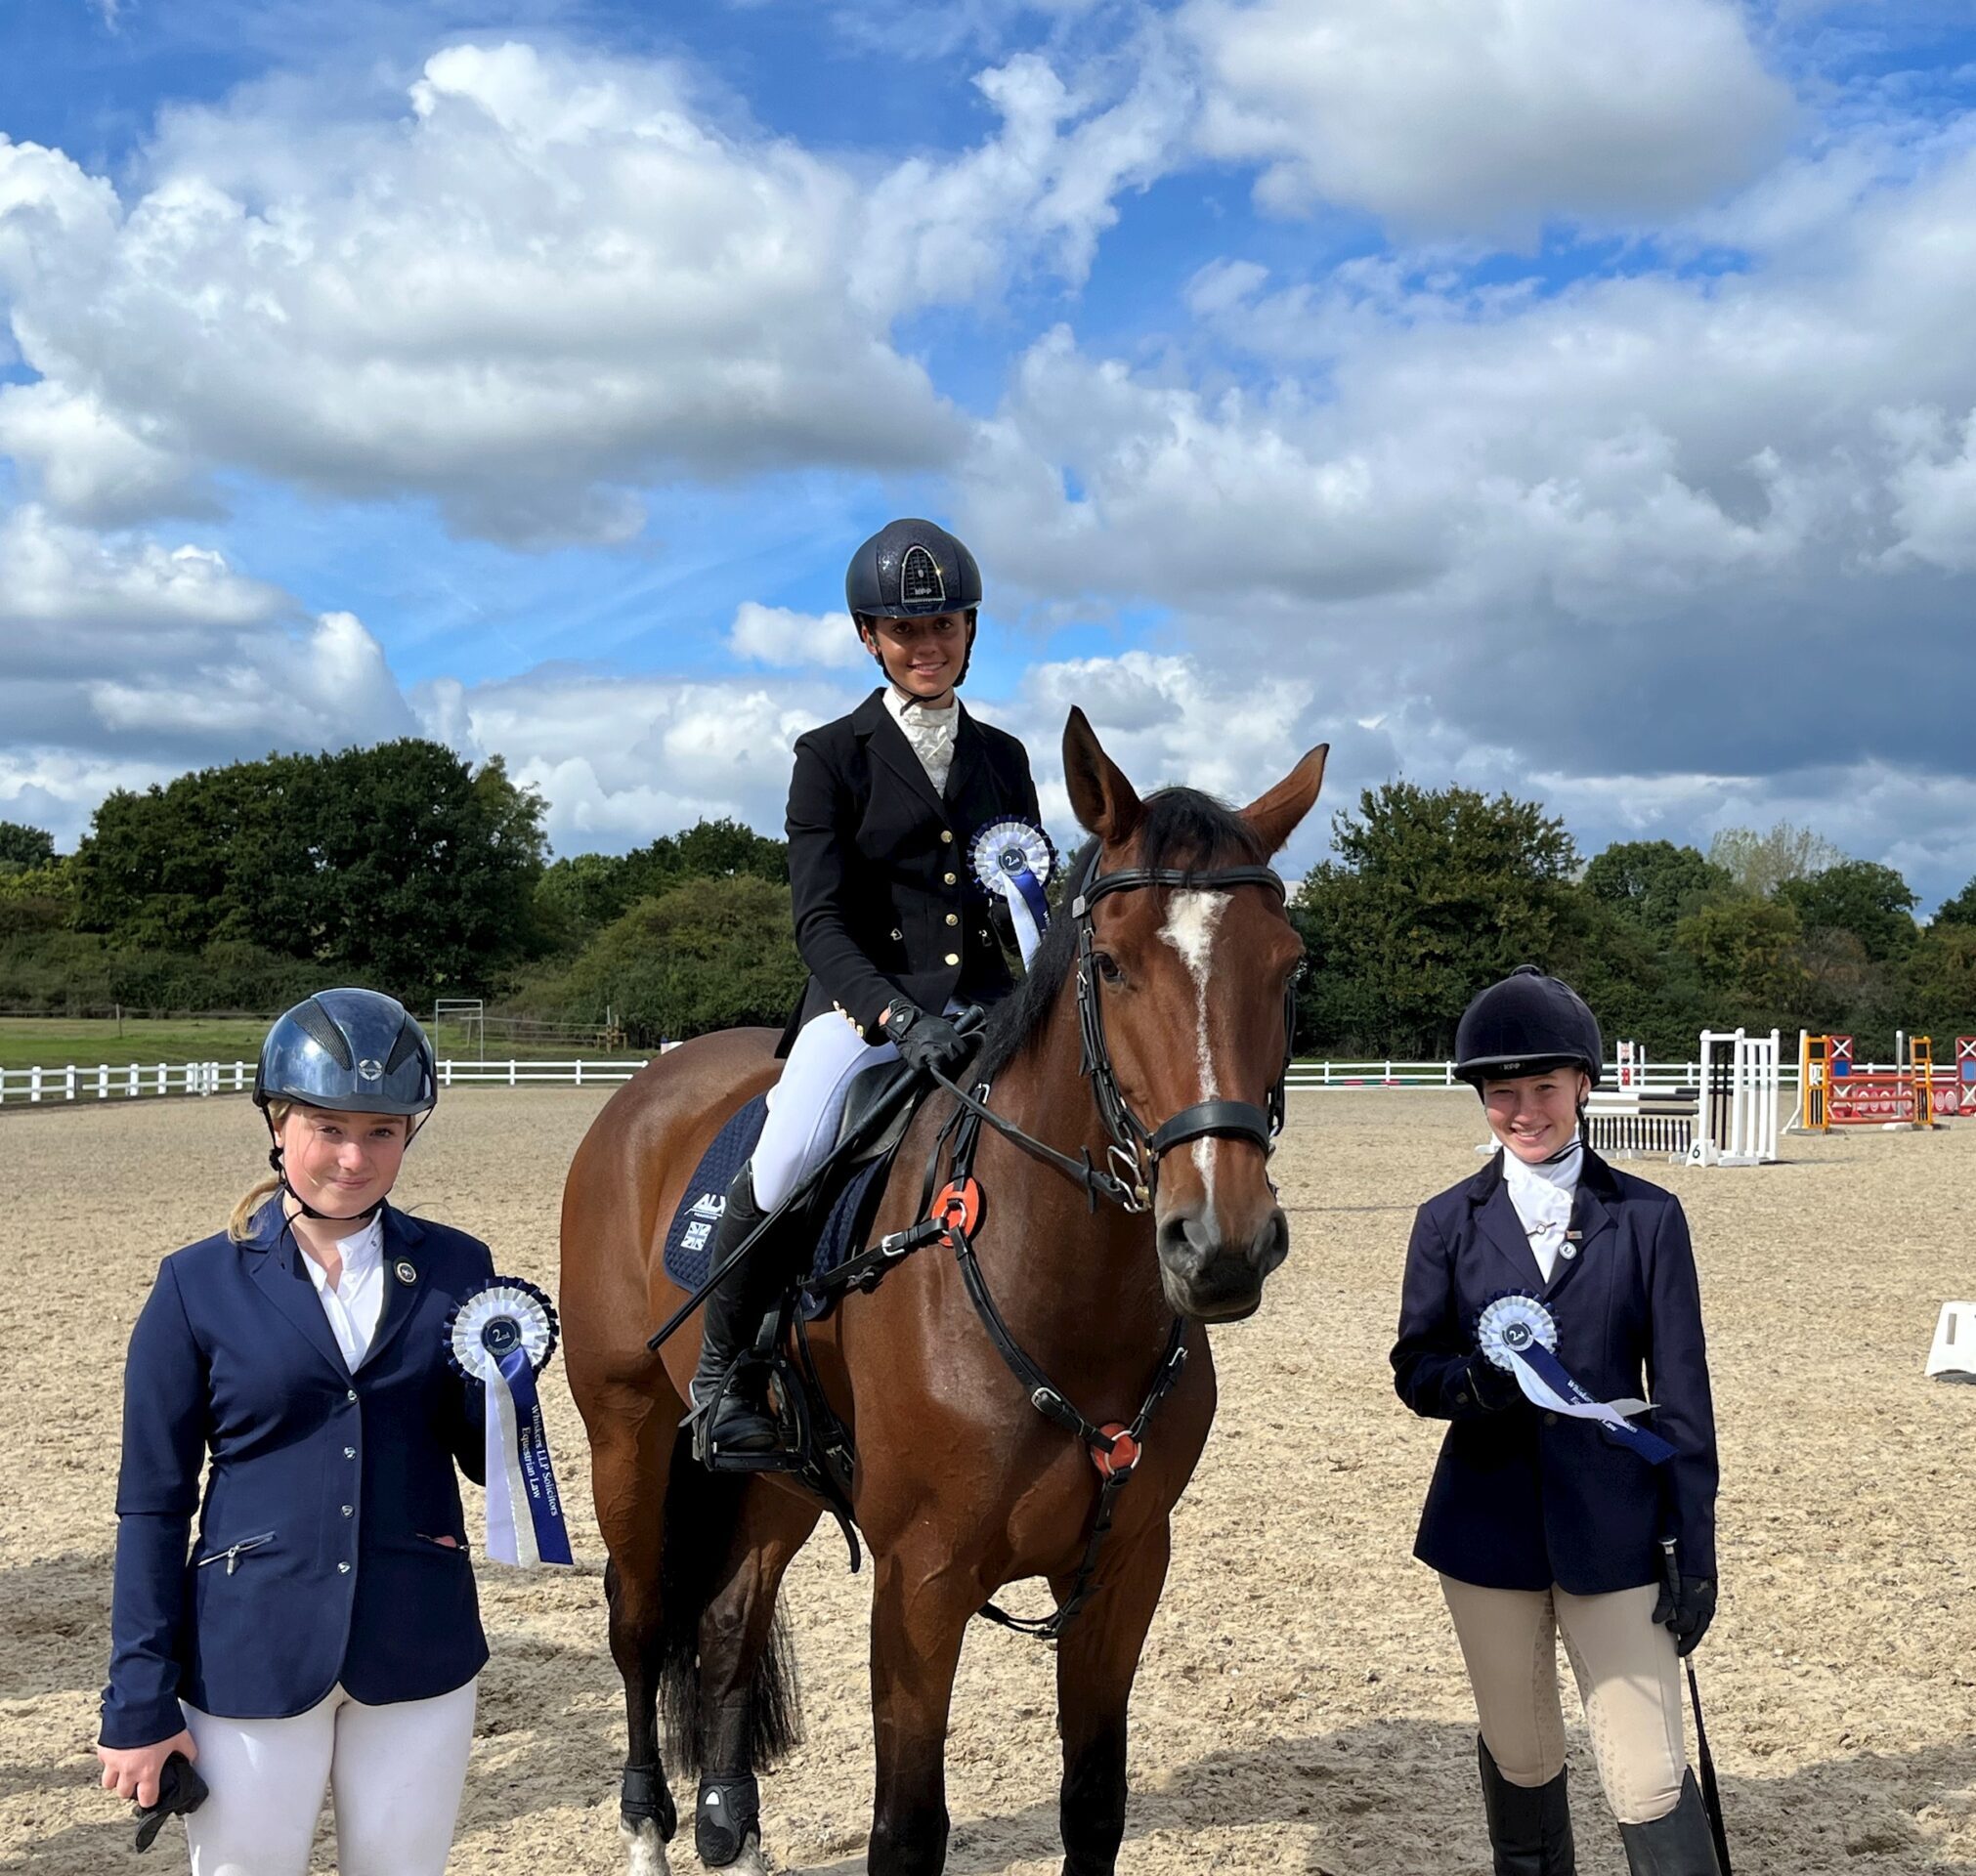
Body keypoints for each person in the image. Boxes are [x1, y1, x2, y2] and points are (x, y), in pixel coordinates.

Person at [98, 989, 496, 1876]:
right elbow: (153, 1506)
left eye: (383, 1131)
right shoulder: (195, 1284)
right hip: (252, 1651)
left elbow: (481, 1457)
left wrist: (503, 1384)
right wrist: (138, 1703)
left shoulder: (459, 1267)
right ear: (278, 1124)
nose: (355, 1159)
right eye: (327, 1128)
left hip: (417, 1644)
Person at [689, 517, 1044, 1461]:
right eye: (904, 631)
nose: (926, 648)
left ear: (970, 632)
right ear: (869, 639)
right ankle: (723, 1377)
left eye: (944, 628)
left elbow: (1022, 903)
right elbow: (820, 923)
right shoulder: (830, 755)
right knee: (787, 1154)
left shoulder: (1004, 758)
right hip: (868, 1012)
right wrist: (897, 1015)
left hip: (992, 1007)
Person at [1391, 965, 1723, 1876]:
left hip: (1616, 1528)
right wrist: (1479, 1386)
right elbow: (1413, 1368)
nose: (1525, 1111)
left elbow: (1684, 1396)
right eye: (1504, 1094)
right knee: (1523, 1754)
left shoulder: (1650, 1218)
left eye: (1544, 1088)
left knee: (1649, 1773)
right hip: (1485, 1530)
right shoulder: (1445, 1222)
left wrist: (1695, 1549)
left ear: (1583, 1083)